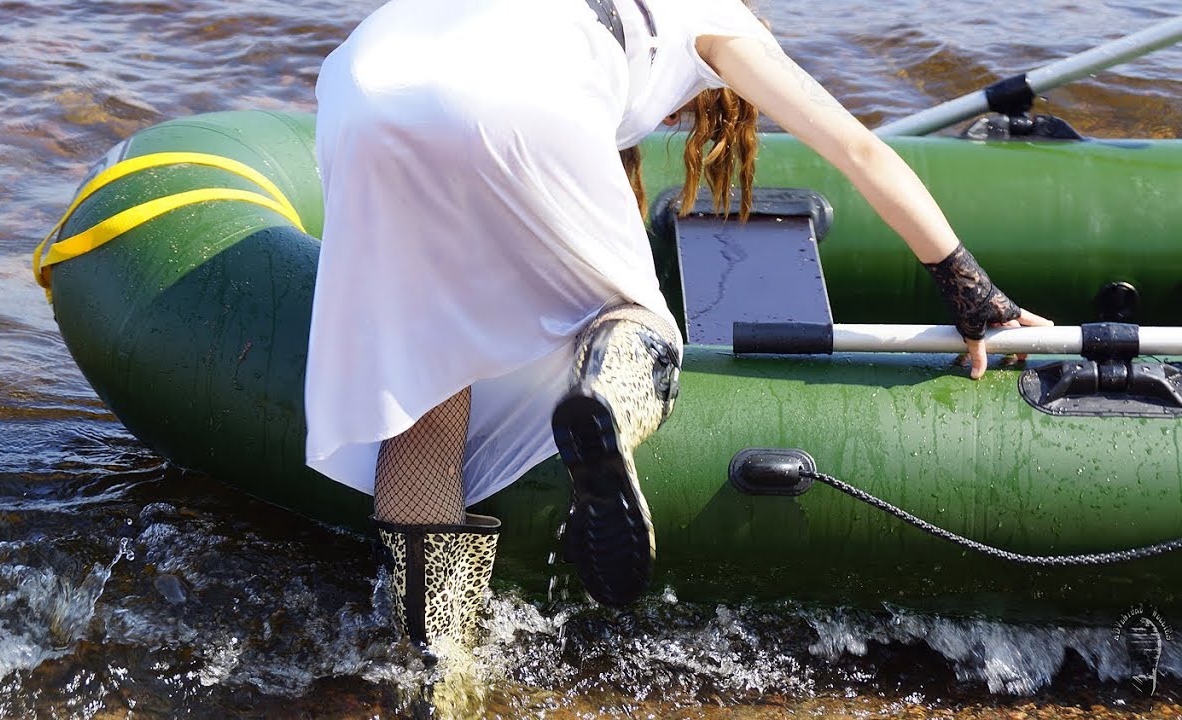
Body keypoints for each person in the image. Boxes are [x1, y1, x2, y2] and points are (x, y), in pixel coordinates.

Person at [304, 0, 1051, 650]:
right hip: (518, 98)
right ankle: (608, 408)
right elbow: (856, 149)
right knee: (640, 325)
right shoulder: (718, 17)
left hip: (359, 94)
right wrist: (972, 291)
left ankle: (438, 670)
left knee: (426, 400)